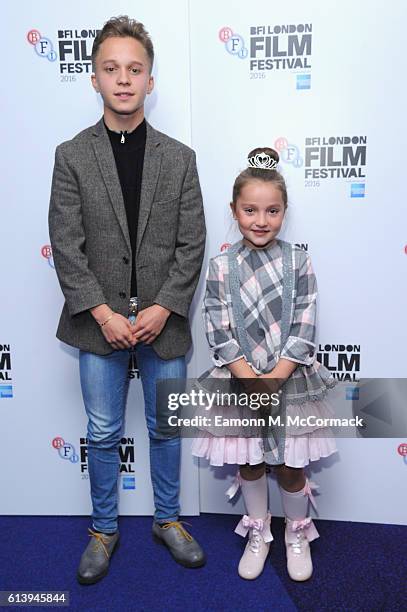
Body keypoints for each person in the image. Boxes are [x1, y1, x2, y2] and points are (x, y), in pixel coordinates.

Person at [49, 15, 206, 585]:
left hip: (165, 321)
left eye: (134, 69)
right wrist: (103, 313)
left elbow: (192, 244)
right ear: (94, 79)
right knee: (101, 430)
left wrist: (163, 308)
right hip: (98, 325)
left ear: (149, 79)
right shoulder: (71, 155)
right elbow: (66, 246)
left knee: (166, 428)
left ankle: (168, 521)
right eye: (111, 69)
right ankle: (103, 529)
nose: (123, 79)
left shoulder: (180, 157)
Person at [191, 147, 337, 581]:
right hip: (240, 382)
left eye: (272, 210)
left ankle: (296, 532)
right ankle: (259, 532)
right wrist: (248, 379)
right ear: (234, 211)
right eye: (250, 209)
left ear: (284, 212)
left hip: (288, 381)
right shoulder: (220, 266)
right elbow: (216, 327)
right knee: (250, 461)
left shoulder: (299, 261)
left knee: (291, 465)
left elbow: (305, 321)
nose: (261, 219)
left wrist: (274, 378)